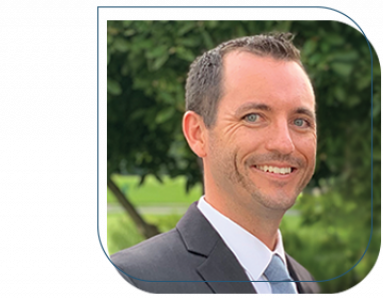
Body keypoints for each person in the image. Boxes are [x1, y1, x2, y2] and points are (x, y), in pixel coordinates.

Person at [111, 32, 320, 294]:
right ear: (198, 134)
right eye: (253, 117)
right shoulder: (134, 281)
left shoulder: (303, 282)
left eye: (300, 122)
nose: (284, 144)